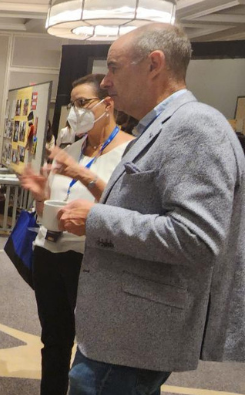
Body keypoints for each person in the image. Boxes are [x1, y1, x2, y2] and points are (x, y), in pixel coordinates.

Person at [56, 23, 245, 394]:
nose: (106, 82)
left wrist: (97, 219)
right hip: (123, 328)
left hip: (133, 335)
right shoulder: (165, 127)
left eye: (113, 67)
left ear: (154, 64)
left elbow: (198, 238)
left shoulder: (195, 127)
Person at [20, 73, 134, 395]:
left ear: (107, 104)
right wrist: (41, 193)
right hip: (48, 251)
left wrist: (82, 174)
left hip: (91, 259)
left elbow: (125, 210)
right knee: (53, 339)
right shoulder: (72, 147)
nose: (75, 111)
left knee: (92, 348)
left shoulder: (131, 151)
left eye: (83, 103)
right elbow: (47, 212)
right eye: (72, 104)